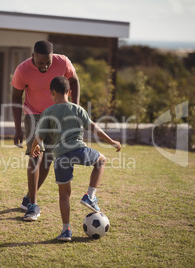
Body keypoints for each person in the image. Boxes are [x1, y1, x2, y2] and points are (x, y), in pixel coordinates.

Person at [31, 76, 121, 241]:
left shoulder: (48, 112)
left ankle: (66, 231)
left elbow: (38, 136)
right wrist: (112, 141)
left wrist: (34, 149)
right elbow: (94, 128)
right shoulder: (77, 109)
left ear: (52, 93)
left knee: (64, 195)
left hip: (59, 156)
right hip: (79, 149)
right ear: (70, 92)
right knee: (101, 160)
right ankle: (90, 196)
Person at [11, 40, 80, 221]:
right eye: (41, 63)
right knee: (35, 156)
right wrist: (18, 128)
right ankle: (33, 205)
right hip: (34, 115)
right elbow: (16, 97)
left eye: (48, 63)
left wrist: (75, 107)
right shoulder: (22, 70)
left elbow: (74, 81)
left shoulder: (63, 62)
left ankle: (28, 198)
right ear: (32, 56)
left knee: (47, 161)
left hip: (56, 116)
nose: (45, 66)